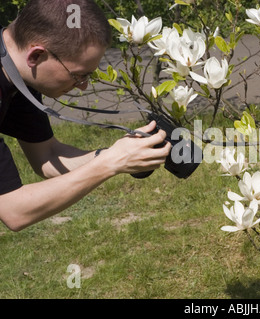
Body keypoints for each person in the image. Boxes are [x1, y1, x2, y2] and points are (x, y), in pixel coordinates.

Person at [0, 0, 171, 231]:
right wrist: (111, 163)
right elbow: (14, 210)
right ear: (36, 56)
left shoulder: (18, 71)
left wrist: (120, 154)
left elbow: (47, 155)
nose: (83, 86)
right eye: (78, 75)